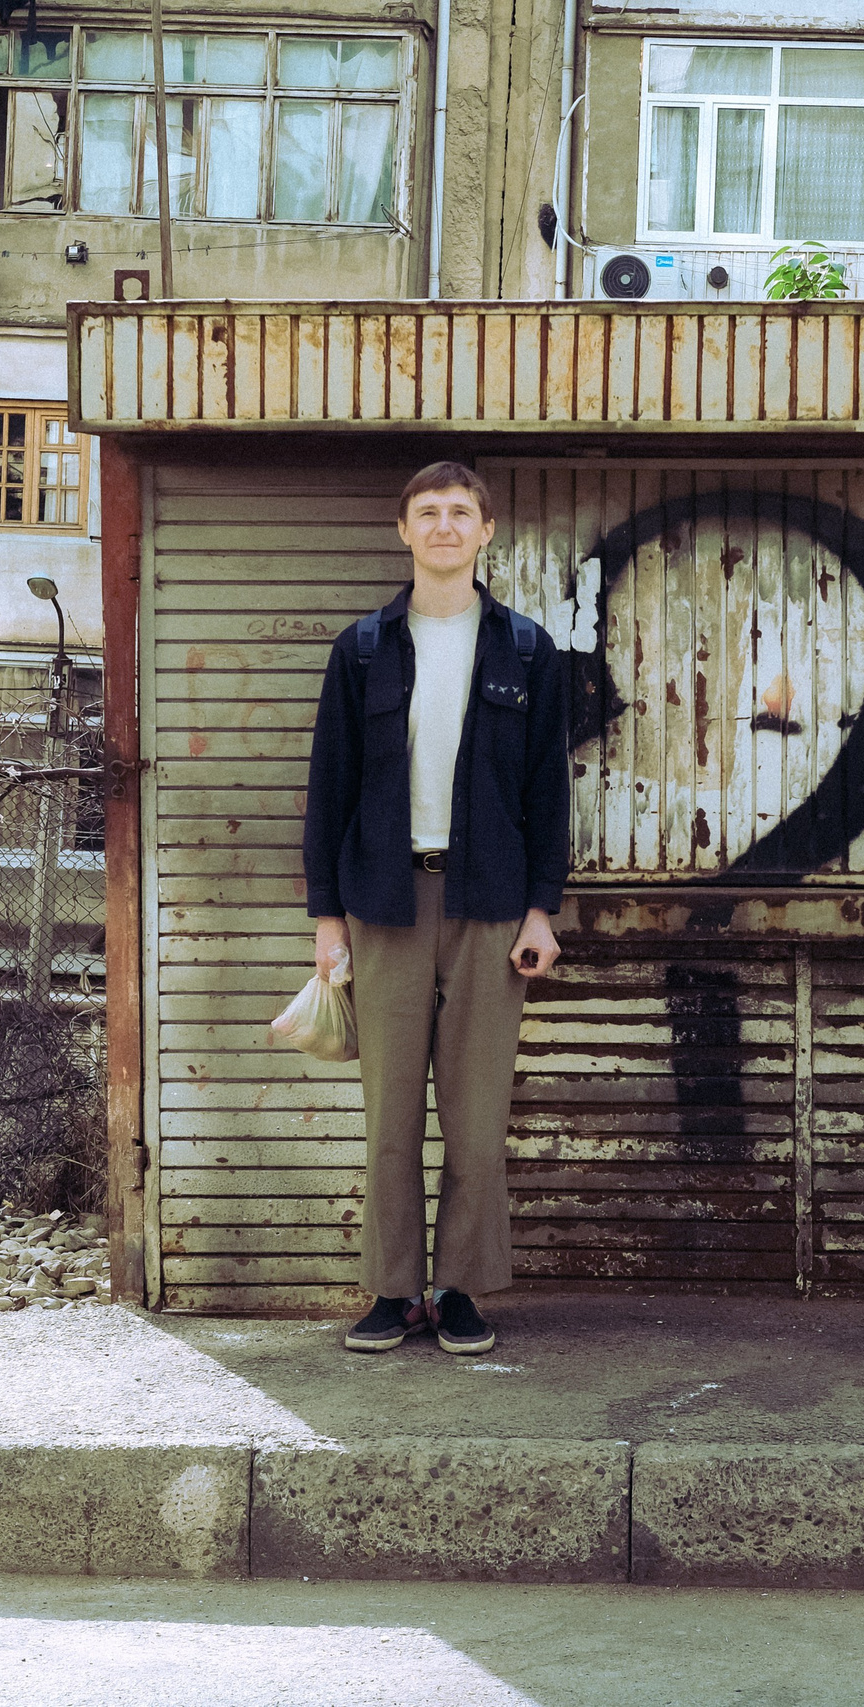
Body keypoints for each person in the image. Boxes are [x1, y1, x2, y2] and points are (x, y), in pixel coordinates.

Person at [302, 462, 568, 1357]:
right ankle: (389, 1292)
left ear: (487, 531)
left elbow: (548, 793)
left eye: (462, 512)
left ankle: (457, 1289)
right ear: (404, 531)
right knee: (388, 1115)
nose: (446, 525)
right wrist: (327, 918)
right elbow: (327, 789)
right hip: (384, 900)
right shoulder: (364, 648)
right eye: (429, 512)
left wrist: (542, 908)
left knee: (476, 1113)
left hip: (491, 901)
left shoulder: (527, 650)